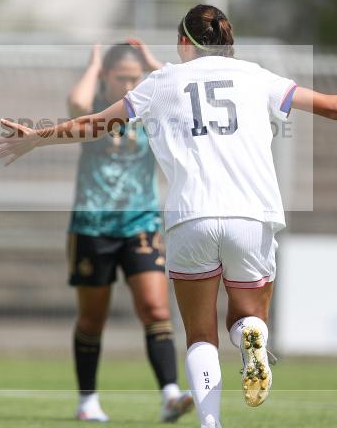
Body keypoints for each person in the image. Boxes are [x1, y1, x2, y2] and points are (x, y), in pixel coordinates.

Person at [0, 4, 337, 428]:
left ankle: (210, 424)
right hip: (252, 216)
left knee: (198, 334)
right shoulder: (257, 77)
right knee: (248, 315)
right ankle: (252, 335)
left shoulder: (161, 83)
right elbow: (335, 108)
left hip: (191, 217)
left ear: (182, 43)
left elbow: (96, 124)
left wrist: (38, 136)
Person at [65, 41, 193, 423]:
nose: (128, 85)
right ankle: (87, 400)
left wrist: (158, 67)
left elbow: (184, 95)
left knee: (155, 308)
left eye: (134, 78)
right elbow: (75, 104)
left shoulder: (150, 111)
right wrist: (92, 66)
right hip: (93, 224)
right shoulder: (94, 112)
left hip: (141, 223)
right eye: (121, 77)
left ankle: (170, 394)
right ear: (106, 77)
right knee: (92, 318)